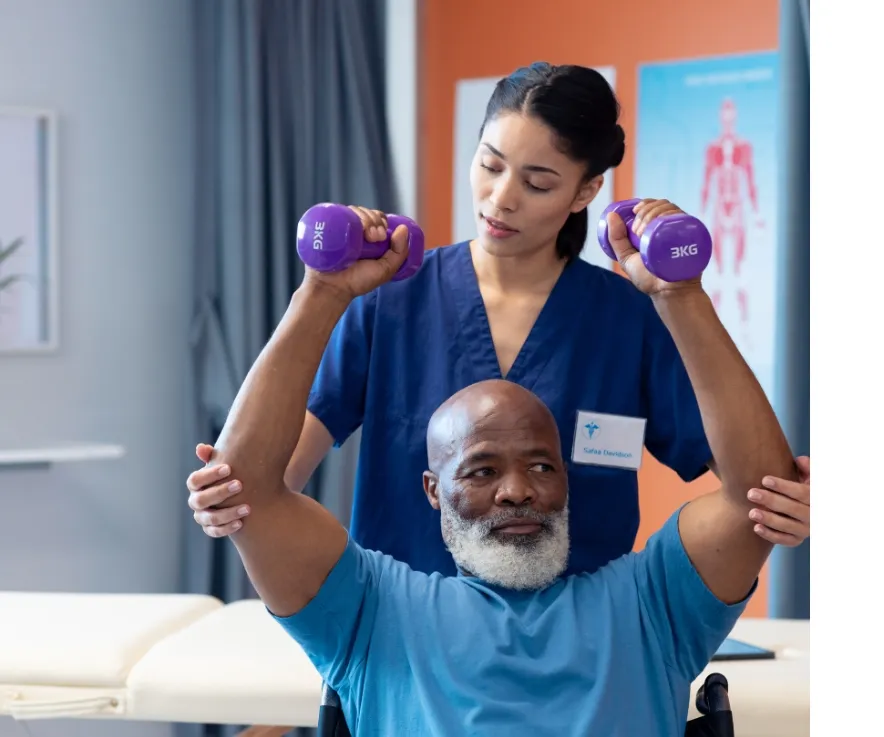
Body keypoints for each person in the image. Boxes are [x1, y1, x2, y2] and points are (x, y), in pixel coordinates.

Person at [185, 203, 799, 736]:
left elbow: (757, 495)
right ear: (433, 491)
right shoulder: (373, 612)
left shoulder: (649, 607)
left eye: (540, 465)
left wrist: (680, 295)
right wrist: (322, 290)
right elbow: (249, 490)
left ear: (566, 480)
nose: (517, 491)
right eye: (480, 472)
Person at [188, 62, 809, 576]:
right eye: (489, 164)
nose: (501, 197)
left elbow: (754, 488)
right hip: (405, 638)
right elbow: (270, 475)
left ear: (585, 192)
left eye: (538, 183)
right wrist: (228, 496)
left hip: (579, 645)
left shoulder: (629, 319)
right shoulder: (388, 303)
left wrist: (790, 499)